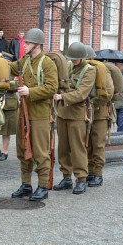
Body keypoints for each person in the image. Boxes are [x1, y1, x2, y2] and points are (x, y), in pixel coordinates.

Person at [0, 28, 58, 201]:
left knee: (39, 151)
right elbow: (10, 67)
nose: (25, 45)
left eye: (28, 43)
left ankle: (43, 186)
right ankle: (26, 185)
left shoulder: (47, 63)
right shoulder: (25, 61)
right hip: (23, 112)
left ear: (37, 44)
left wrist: (30, 91)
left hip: (39, 114)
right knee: (23, 149)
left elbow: (52, 87)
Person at [52, 42, 96, 195]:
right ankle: (66, 177)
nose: (73, 61)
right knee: (63, 148)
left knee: (78, 148)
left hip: (78, 114)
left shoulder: (90, 71)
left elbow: (82, 93)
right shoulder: (69, 67)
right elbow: (63, 85)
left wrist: (62, 95)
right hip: (63, 113)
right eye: (71, 58)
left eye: (76, 59)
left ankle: (81, 178)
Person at [84, 46, 114, 188]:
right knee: (87, 144)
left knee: (98, 144)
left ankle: (98, 173)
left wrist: (91, 101)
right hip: (85, 113)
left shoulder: (102, 71)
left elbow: (108, 93)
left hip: (100, 113)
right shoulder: (82, 71)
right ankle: (90, 171)